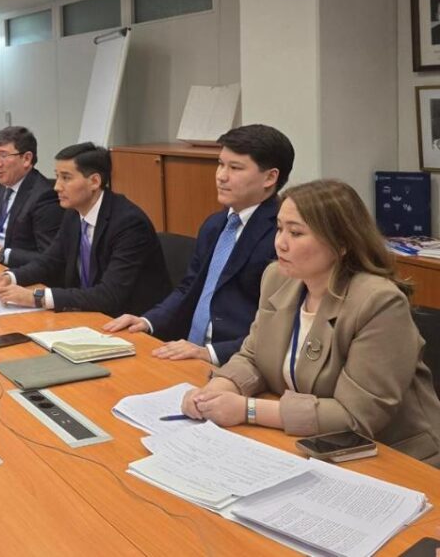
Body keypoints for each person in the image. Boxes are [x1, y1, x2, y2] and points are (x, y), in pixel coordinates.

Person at [181, 180, 440, 466]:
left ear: (341, 244)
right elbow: (253, 357)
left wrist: (247, 410)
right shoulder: (277, 278)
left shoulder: (379, 302)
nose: (280, 243)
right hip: (313, 446)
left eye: (296, 233)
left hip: (394, 457)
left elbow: (355, 416)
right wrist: (219, 389)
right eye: (279, 228)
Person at [104, 124, 295, 365]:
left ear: (270, 177)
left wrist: (210, 353)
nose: (221, 176)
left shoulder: (281, 236)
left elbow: (279, 325)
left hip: (237, 360)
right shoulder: (215, 224)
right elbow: (189, 288)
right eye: (220, 164)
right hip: (187, 350)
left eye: (235, 168)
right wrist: (148, 321)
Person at [0, 142, 170, 315]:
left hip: (130, 322)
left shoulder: (128, 223)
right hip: (88, 314)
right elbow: (49, 261)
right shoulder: (73, 213)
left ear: (94, 181)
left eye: (66, 178)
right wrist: (9, 277)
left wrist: (36, 297)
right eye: (57, 177)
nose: (57, 187)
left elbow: (109, 295)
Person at [0, 126, 63, 267]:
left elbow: (50, 259)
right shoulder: (3, 187)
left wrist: (1, 254)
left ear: (26, 159)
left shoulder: (44, 196)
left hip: (22, 274)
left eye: (3, 155)